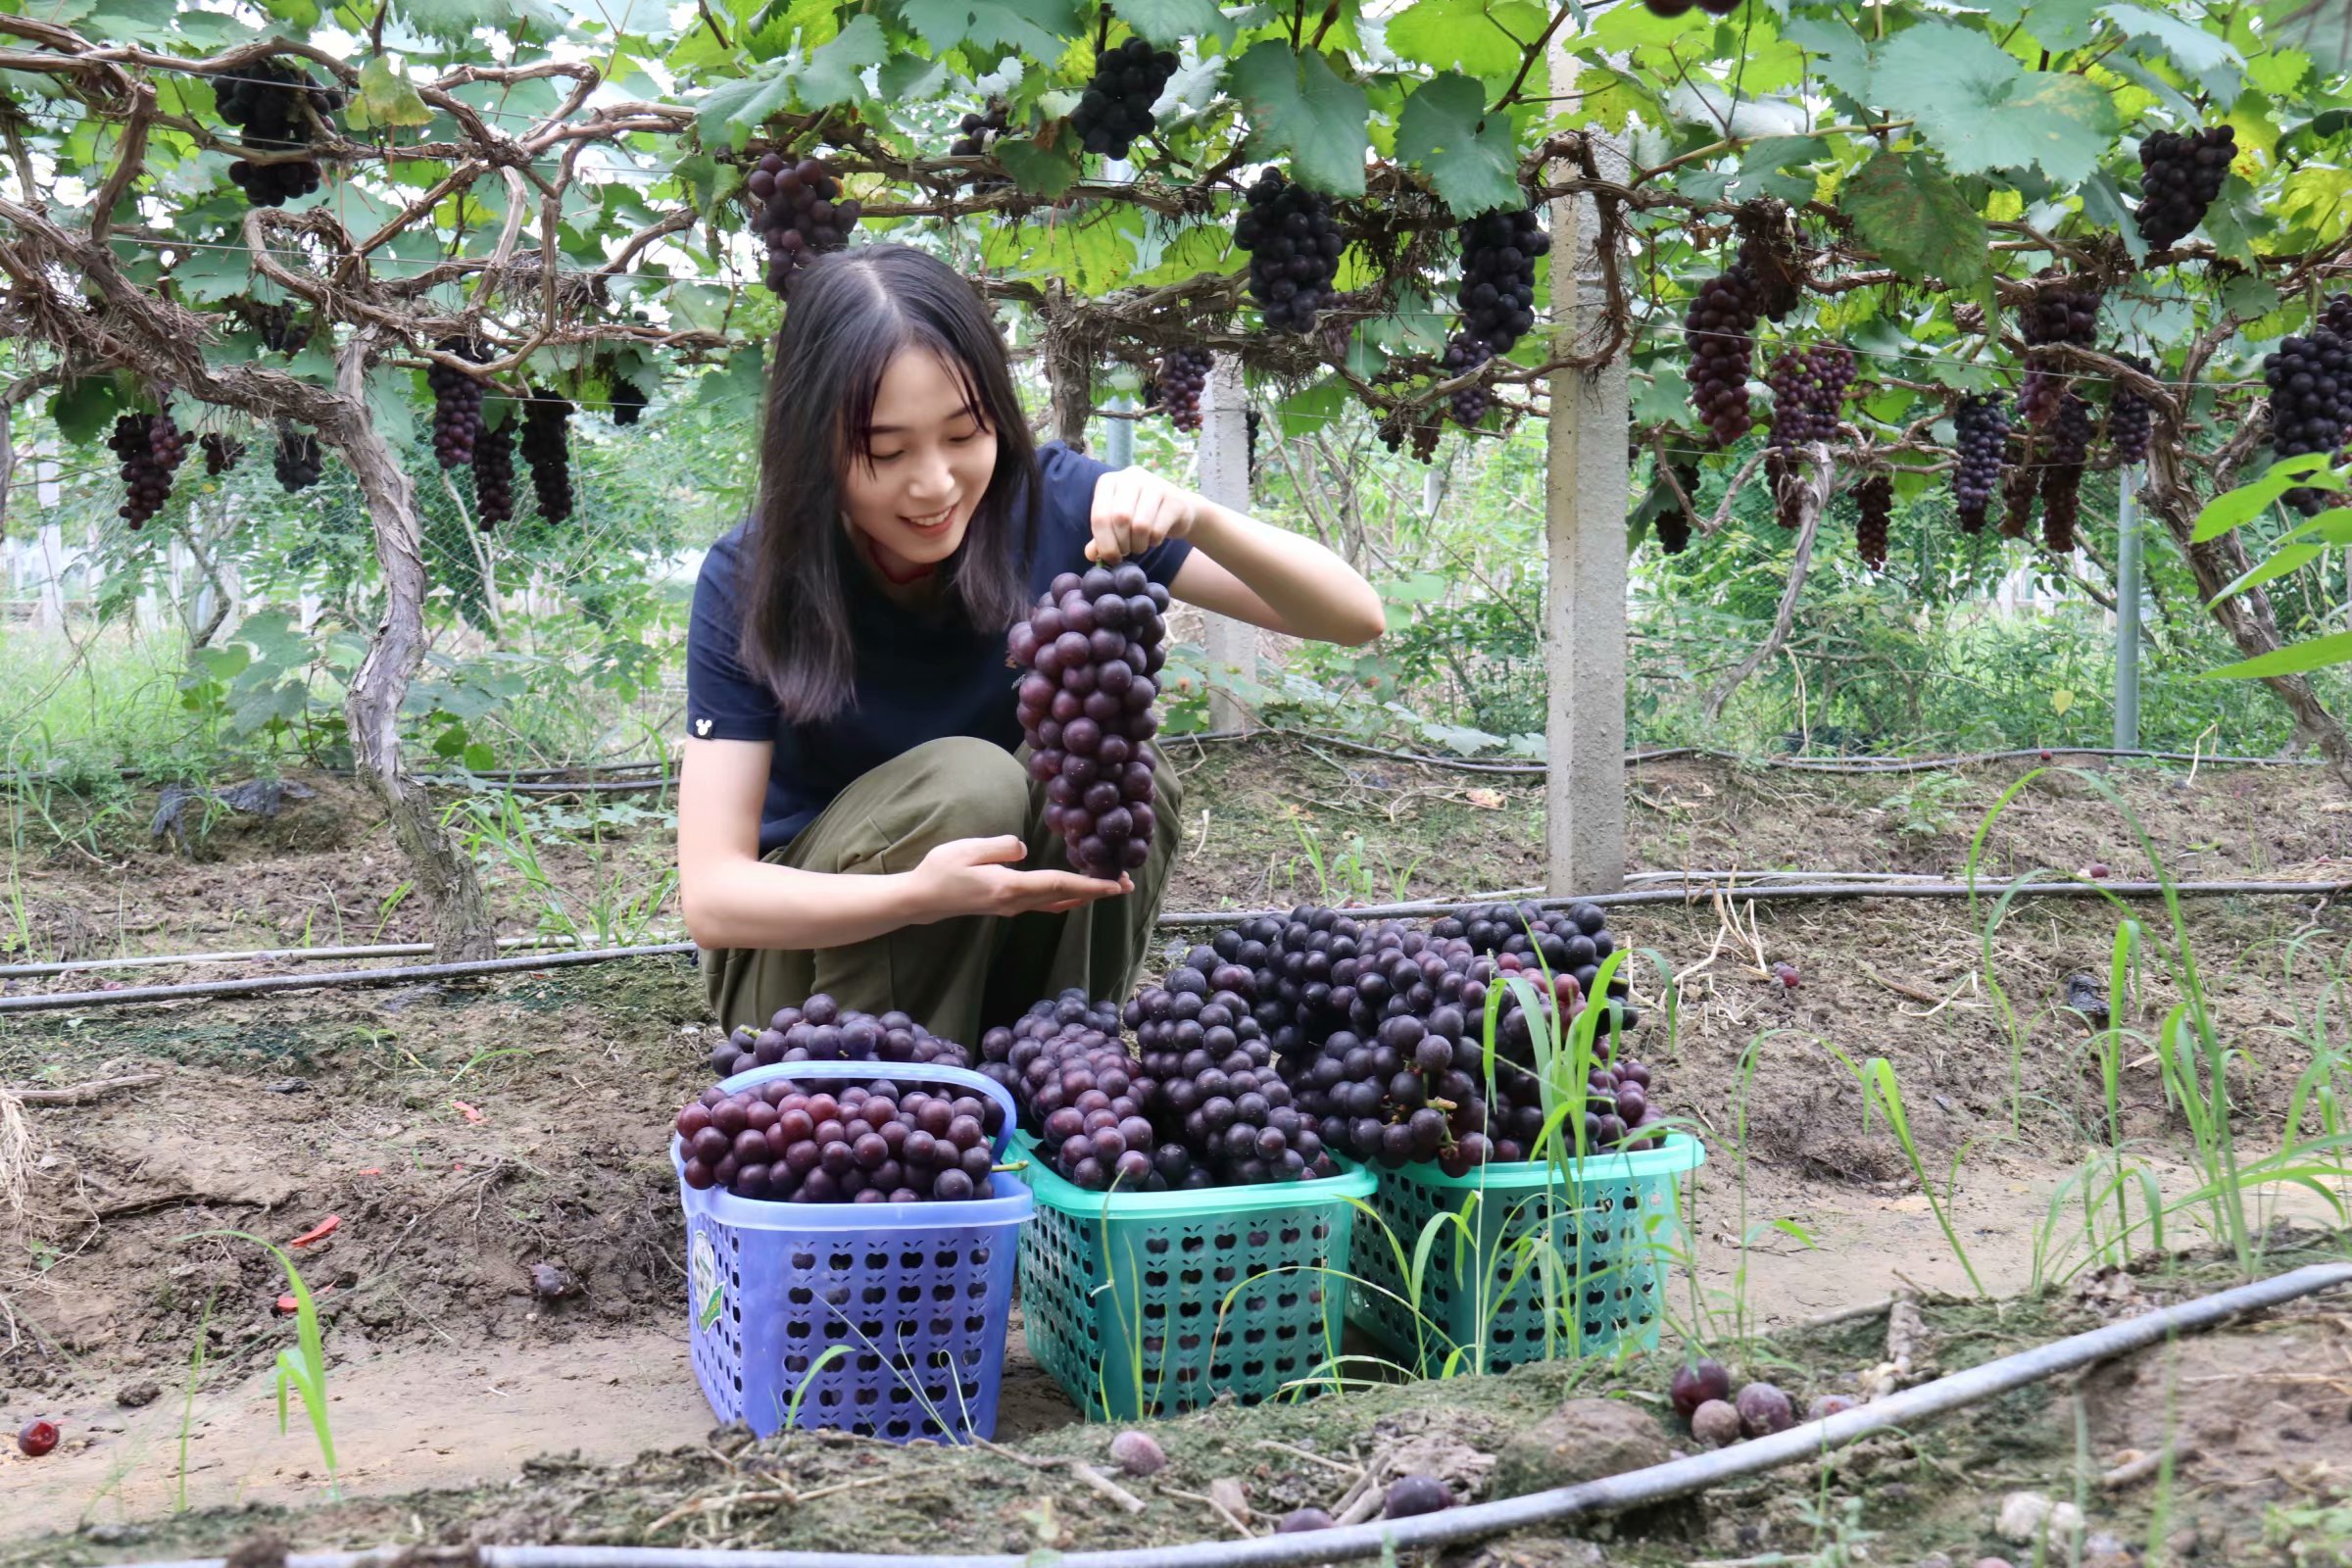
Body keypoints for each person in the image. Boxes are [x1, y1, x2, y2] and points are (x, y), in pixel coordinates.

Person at [679, 243, 1385, 1048]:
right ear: (813, 442)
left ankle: (1054, 1061)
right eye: (886, 451)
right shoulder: (752, 576)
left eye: (963, 434)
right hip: (800, 980)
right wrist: (920, 893)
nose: (936, 484)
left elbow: (1352, 617)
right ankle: (892, 1098)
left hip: (994, 947)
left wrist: (1197, 516)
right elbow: (714, 897)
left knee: (1128, 774)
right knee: (968, 781)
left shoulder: (1053, 506)